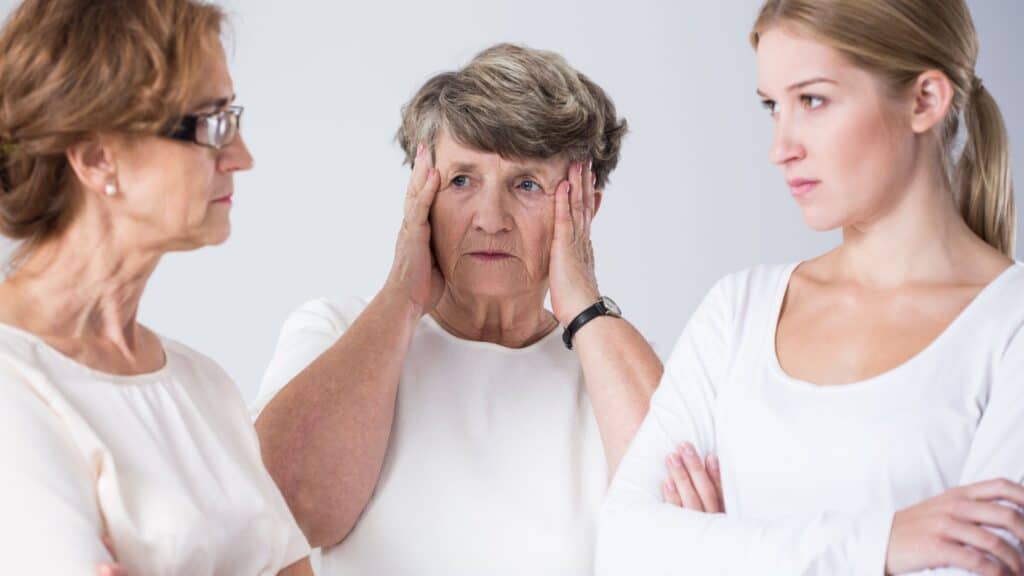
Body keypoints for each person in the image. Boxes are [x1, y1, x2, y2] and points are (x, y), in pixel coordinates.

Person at [597, 1, 1023, 575]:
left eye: (813, 100)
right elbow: (624, 545)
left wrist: (721, 549)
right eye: (773, 106)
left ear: (925, 100)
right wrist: (882, 545)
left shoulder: (1009, 324)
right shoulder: (739, 311)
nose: (781, 147)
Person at [254, 43, 662, 575]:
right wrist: (403, 292)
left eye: (527, 184)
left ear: (585, 207)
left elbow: (683, 531)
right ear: (421, 194)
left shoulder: (609, 362)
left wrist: (584, 306)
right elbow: (282, 513)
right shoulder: (332, 329)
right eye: (462, 181)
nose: (490, 218)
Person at [0, 1, 311, 573]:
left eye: (232, 118)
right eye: (210, 122)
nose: (241, 157)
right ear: (98, 159)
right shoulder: (11, 382)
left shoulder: (202, 387)